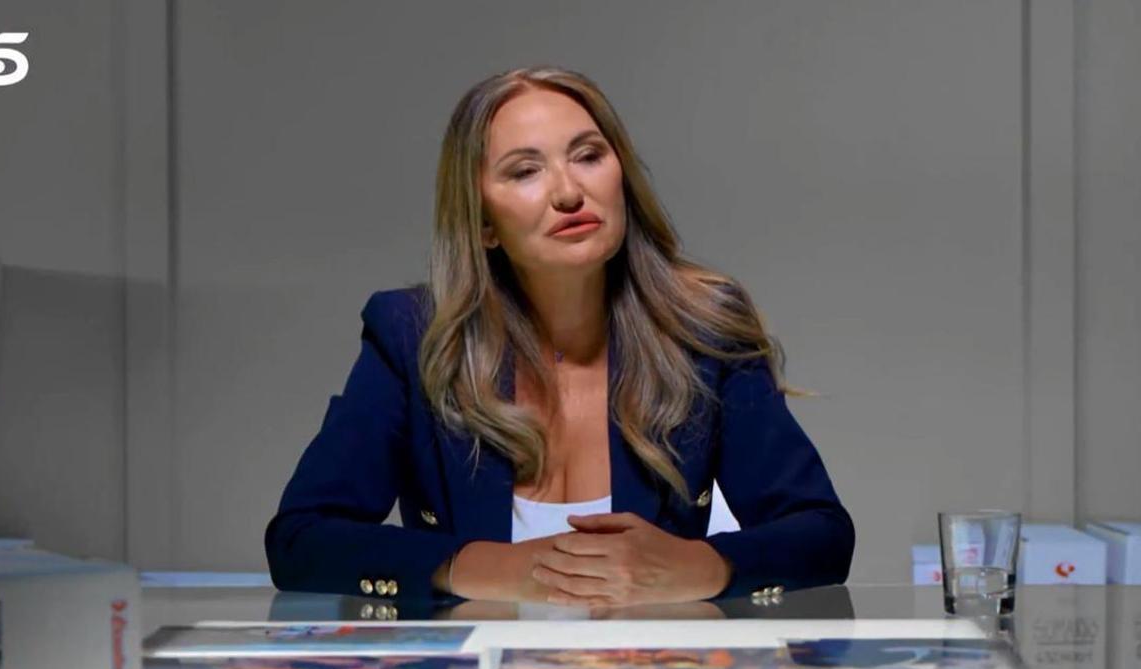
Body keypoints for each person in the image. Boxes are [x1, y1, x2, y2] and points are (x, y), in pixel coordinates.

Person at [265, 65, 854, 608]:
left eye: (589, 155)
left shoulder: (703, 329)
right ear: (484, 224)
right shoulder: (412, 335)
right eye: (524, 171)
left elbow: (821, 533)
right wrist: (485, 568)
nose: (569, 192)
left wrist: (698, 565)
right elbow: (301, 539)